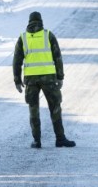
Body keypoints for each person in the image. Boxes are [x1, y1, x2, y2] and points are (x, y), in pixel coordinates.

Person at [13, 11, 76, 149]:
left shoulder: (23, 38)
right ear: (41, 21)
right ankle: (60, 139)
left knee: (33, 110)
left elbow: (17, 61)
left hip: (31, 80)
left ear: (29, 22)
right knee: (55, 108)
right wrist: (60, 77)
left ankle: (37, 141)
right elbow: (58, 57)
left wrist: (17, 80)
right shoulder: (48, 35)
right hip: (49, 79)